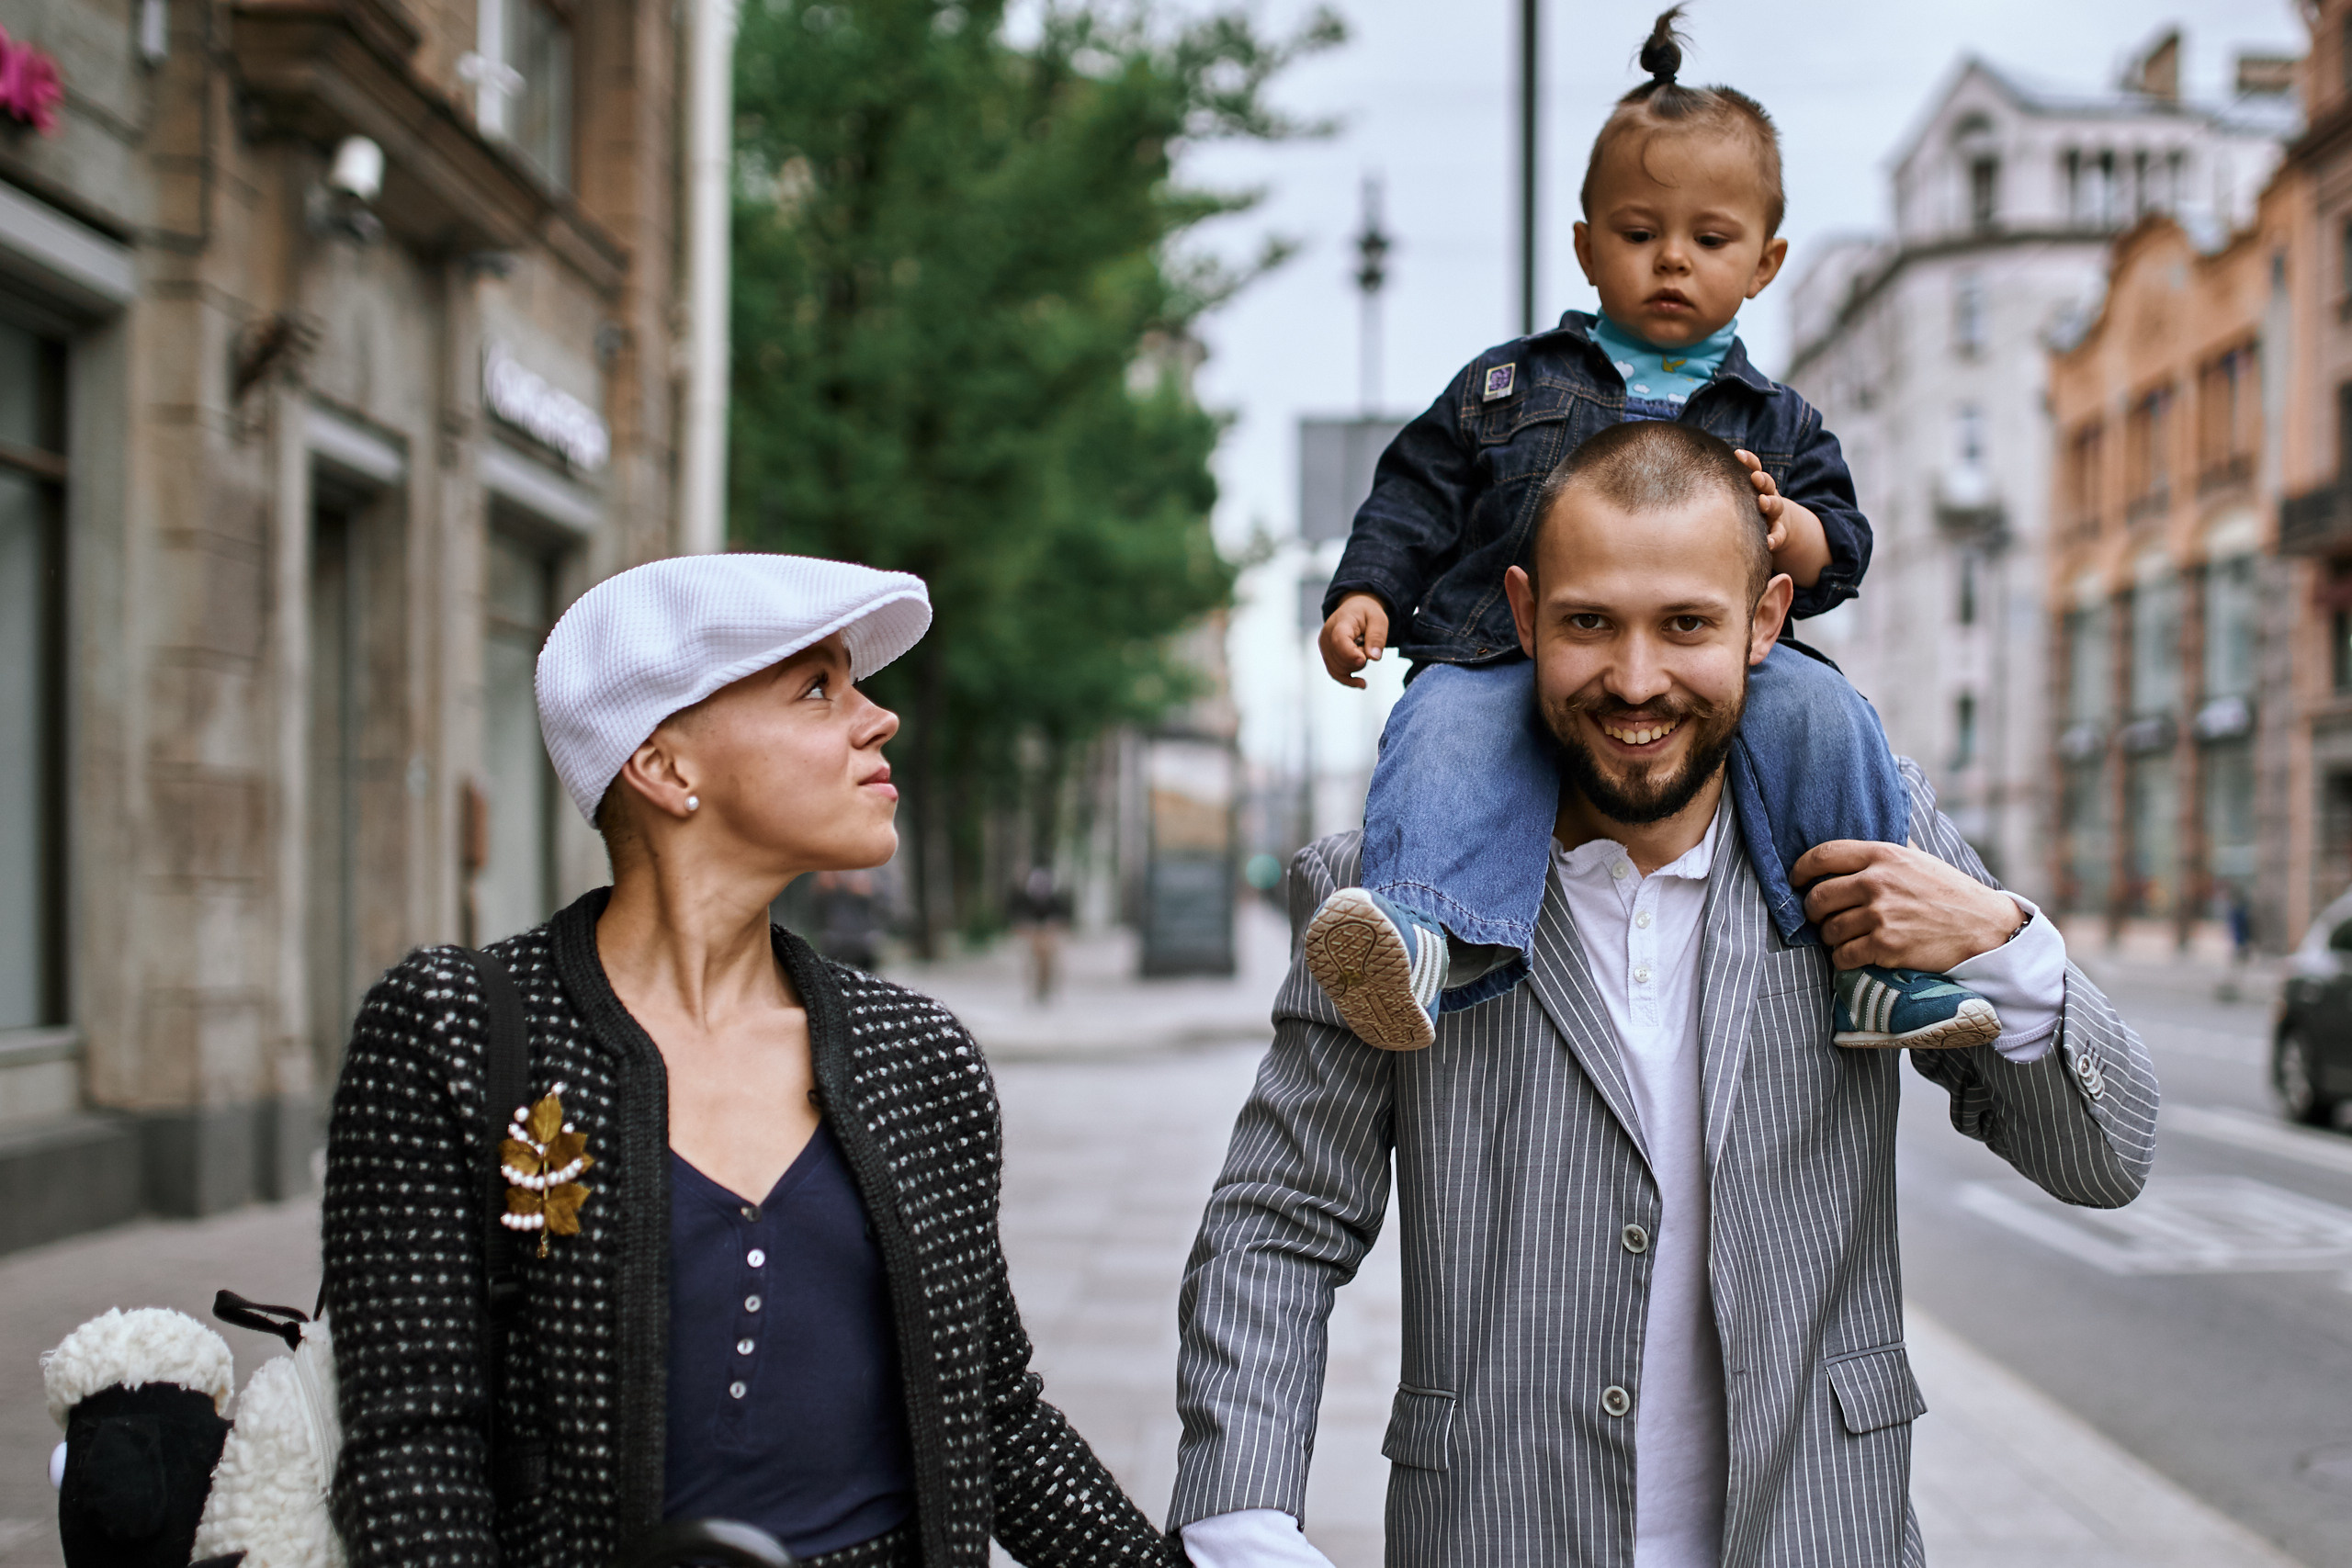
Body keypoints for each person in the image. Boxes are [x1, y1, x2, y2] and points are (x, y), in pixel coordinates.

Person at [1170, 422, 2157, 1567]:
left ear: (1765, 621)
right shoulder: (1390, 893)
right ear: (1525, 615)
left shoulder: (1864, 827)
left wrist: (2003, 943)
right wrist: (1240, 1521)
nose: (1636, 682)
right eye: (1590, 623)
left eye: (1685, 624)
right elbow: (1277, 1219)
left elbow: (2105, 1160)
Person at [322, 554, 1181, 1568]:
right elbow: (412, 1452)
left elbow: (992, 1418)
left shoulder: (919, 1057)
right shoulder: (457, 1032)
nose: (878, 718)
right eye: (816, 688)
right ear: (664, 766)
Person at [1297, 6, 1997, 1057]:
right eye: (1637, 235)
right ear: (1584, 248)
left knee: (1832, 717)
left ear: (1764, 262)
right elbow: (1416, 490)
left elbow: (1839, 548)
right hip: (1499, 646)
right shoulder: (1509, 383)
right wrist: (1369, 593)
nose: (1671, 261)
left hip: (1731, 667)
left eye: (1709, 241)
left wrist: (1788, 528)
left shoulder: (1779, 420)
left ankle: (1878, 965)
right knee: (1440, 729)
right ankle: (1423, 933)